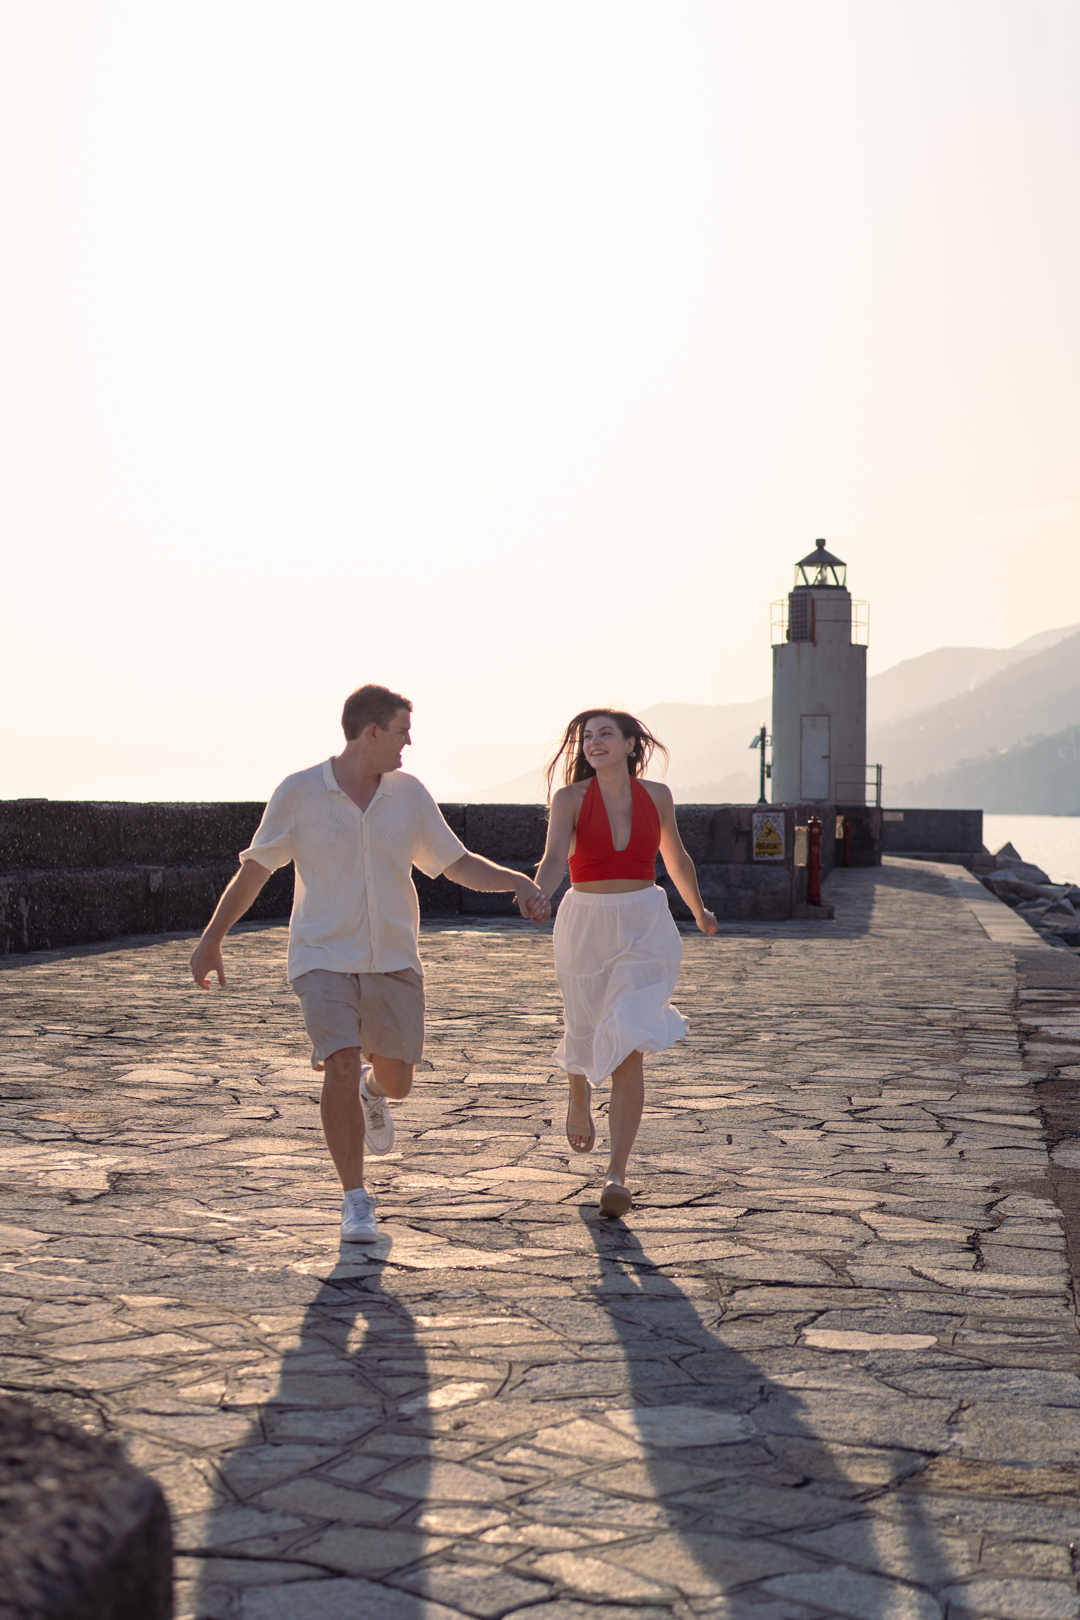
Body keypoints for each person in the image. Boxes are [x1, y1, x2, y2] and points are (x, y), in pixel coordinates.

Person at [189, 684, 549, 1243]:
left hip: (394, 958)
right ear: (372, 732)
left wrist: (518, 882)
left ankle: (372, 1092)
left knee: (398, 1082)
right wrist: (212, 938)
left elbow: (455, 863)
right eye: (403, 731)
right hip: (321, 956)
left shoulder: (409, 794)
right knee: (337, 1060)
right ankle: (354, 1199)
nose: (409, 744)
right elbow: (255, 871)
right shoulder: (300, 792)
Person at [533, 709, 718, 1218]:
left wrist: (699, 910)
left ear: (632, 744)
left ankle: (617, 1173)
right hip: (585, 920)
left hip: (643, 922)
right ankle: (577, 1092)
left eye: (605, 735)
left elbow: (676, 859)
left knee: (630, 1040)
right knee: (585, 1023)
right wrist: (539, 895)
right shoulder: (569, 800)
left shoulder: (657, 797)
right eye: (586, 737)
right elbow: (552, 861)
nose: (593, 743)